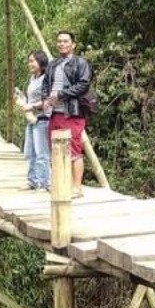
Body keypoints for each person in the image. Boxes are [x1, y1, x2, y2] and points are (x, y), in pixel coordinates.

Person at [41, 30, 91, 198]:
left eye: (65, 41)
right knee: (55, 149)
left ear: (73, 44)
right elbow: (45, 84)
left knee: (74, 149)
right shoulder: (53, 64)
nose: (62, 44)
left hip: (72, 112)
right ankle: (63, 184)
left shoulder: (80, 63)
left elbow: (83, 84)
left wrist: (61, 95)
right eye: (59, 41)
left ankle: (76, 188)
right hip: (54, 113)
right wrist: (45, 99)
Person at [21, 50, 51, 191]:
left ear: (41, 61)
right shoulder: (33, 78)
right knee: (30, 152)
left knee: (41, 153)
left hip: (42, 118)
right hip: (31, 118)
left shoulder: (46, 78)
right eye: (29, 61)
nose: (30, 64)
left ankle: (44, 183)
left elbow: (48, 99)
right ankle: (32, 180)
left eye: (32, 61)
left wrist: (31, 106)